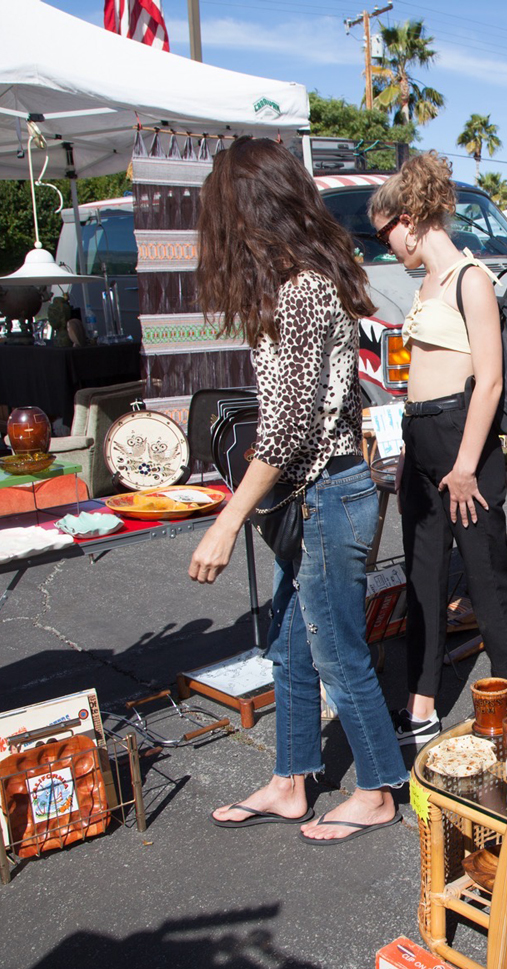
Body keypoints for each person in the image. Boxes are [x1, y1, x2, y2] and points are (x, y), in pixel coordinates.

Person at [189, 137, 405, 843]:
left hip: (330, 497)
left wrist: (226, 522)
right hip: (322, 495)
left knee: (338, 649)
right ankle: (290, 780)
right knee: (289, 648)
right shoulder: (300, 286)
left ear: (247, 212)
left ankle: (376, 789)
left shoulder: (303, 292)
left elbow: (284, 434)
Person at [368, 153, 507, 747]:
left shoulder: (473, 279)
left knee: (487, 570)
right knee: (424, 573)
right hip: (421, 435)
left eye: (385, 230)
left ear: (410, 218)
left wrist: (466, 465)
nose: (386, 243)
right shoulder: (427, 283)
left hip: (462, 437)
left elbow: (488, 380)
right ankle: (421, 708)